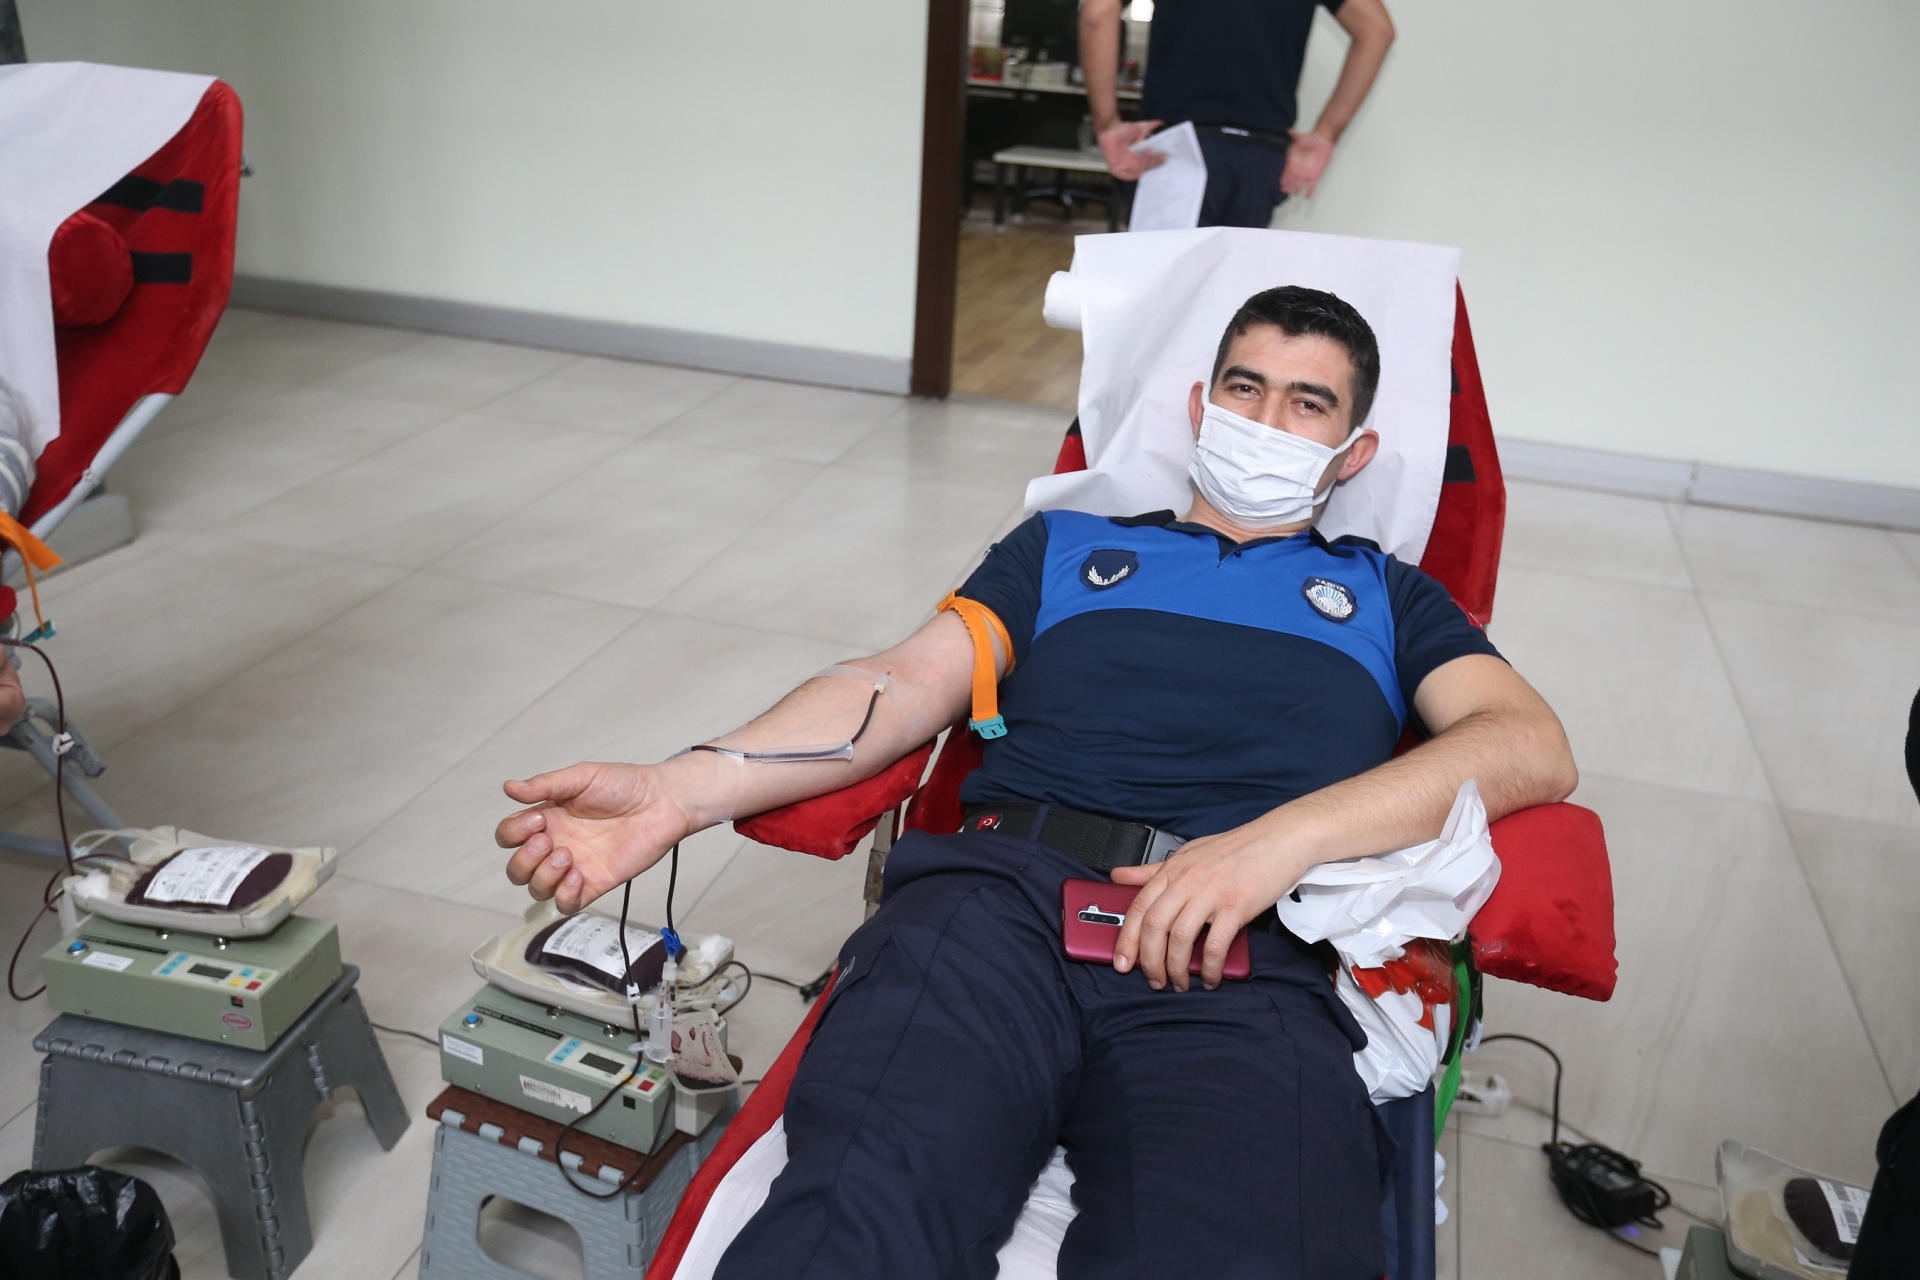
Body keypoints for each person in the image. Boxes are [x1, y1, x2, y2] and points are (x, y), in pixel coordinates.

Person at [495, 286, 1577, 1278]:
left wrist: (1278, 843)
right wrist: (680, 789)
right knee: (855, 1220)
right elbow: (896, 684)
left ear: (1354, 449)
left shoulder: (1387, 596)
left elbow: (1529, 742)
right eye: (1245, 388)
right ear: (1201, 405)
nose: (1266, 419)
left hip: (1240, 946)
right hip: (993, 908)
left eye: (1308, 402)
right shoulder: (1065, 547)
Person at [1081, 0, 1396, 228]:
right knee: (1237, 296)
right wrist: (1326, 134)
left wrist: (1107, 125)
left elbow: (1097, 13)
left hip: (1178, 152)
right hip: (1259, 162)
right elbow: (1377, 30)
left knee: (1162, 292)